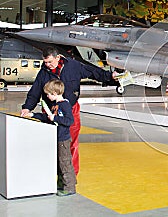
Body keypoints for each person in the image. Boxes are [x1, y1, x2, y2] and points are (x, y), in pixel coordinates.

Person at [21, 46, 117, 175]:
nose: (47, 65)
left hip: (70, 109)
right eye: (45, 62)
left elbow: (93, 72)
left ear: (58, 57)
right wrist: (27, 107)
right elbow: (35, 91)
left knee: (71, 143)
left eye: (50, 62)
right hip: (50, 111)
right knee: (51, 143)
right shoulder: (44, 72)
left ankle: (70, 175)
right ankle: (53, 173)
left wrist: (110, 76)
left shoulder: (73, 66)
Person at [27, 79, 76, 196]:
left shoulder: (64, 105)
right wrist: (33, 115)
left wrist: (55, 119)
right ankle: (62, 184)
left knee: (64, 163)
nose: (47, 96)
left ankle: (69, 187)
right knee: (59, 163)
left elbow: (69, 121)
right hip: (57, 138)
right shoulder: (55, 105)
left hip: (63, 139)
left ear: (55, 93)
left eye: (48, 94)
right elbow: (47, 117)